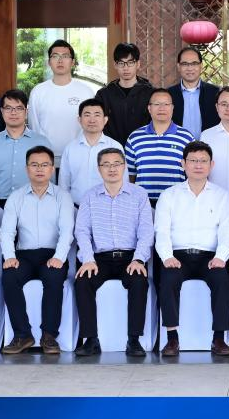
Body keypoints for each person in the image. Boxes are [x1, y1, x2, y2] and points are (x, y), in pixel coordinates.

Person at [155, 141, 229, 357]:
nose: (198, 165)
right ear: (183, 164)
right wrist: (167, 257)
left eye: (203, 161)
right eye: (193, 161)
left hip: (210, 257)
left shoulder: (221, 195)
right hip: (177, 256)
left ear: (211, 165)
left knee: (222, 280)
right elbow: (161, 231)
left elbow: (226, 231)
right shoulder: (169, 195)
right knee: (168, 279)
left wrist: (221, 257)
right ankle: (172, 339)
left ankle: (219, 338)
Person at [73, 148, 153, 357]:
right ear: (99, 169)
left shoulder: (139, 194)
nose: (112, 169)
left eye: (116, 164)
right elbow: (82, 231)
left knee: (138, 281)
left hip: (130, 257)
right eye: (106, 165)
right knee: (83, 281)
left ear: (124, 166)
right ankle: (90, 340)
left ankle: (134, 340)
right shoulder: (90, 196)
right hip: (99, 258)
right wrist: (88, 259)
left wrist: (139, 259)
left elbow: (146, 231)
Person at [0, 146, 75, 355]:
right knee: (9, 276)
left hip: (52, 255)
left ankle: (49, 336)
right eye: (34, 165)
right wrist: (9, 257)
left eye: (44, 165)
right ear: (27, 169)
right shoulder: (16, 197)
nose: (39, 169)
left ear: (52, 169)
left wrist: (59, 257)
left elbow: (67, 230)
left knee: (53, 277)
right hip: (24, 255)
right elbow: (7, 231)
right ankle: (22, 335)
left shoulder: (62, 196)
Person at [27, 39, 96, 168]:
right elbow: (34, 126)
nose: (60, 60)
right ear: (49, 62)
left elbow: (91, 125)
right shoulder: (38, 92)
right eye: (55, 56)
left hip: (79, 157)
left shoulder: (86, 92)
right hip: (46, 160)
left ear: (73, 62)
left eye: (65, 56)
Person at [0, 89, 51, 206]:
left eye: (19, 108)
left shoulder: (41, 142)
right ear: (2, 111)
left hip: (34, 202)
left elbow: (50, 179)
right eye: (8, 108)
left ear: (26, 111)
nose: (13, 113)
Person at [125, 88, 194, 202]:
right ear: (149, 108)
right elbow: (130, 175)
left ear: (172, 108)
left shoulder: (186, 137)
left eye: (166, 104)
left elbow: (192, 173)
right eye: (157, 104)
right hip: (142, 203)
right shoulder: (135, 138)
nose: (162, 108)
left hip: (176, 202)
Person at [58, 99, 122, 206]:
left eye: (97, 115)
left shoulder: (115, 147)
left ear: (105, 120)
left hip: (108, 208)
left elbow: (123, 182)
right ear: (79, 119)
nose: (92, 120)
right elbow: (63, 185)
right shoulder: (70, 148)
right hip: (76, 209)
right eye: (87, 115)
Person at [96, 42, 154, 146]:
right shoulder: (104, 95)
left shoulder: (150, 93)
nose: (125, 68)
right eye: (121, 63)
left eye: (130, 62)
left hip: (142, 147)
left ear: (138, 64)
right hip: (112, 149)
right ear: (115, 65)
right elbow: (98, 123)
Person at [169, 46, 220, 139]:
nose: (190, 68)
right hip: (177, 145)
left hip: (208, 145)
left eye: (194, 63)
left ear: (201, 66)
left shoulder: (216, 93)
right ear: (178, 67)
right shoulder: (168, 94)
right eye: (185, 64)